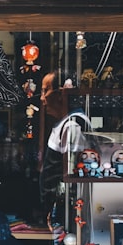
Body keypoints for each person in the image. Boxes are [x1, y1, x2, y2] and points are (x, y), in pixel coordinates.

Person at [38, 70, 92, 227]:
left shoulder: (73, 125)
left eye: (45, 91)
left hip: (65, 213)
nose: (42, 98)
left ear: (61, 94)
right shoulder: (64, 123)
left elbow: (71, 174)